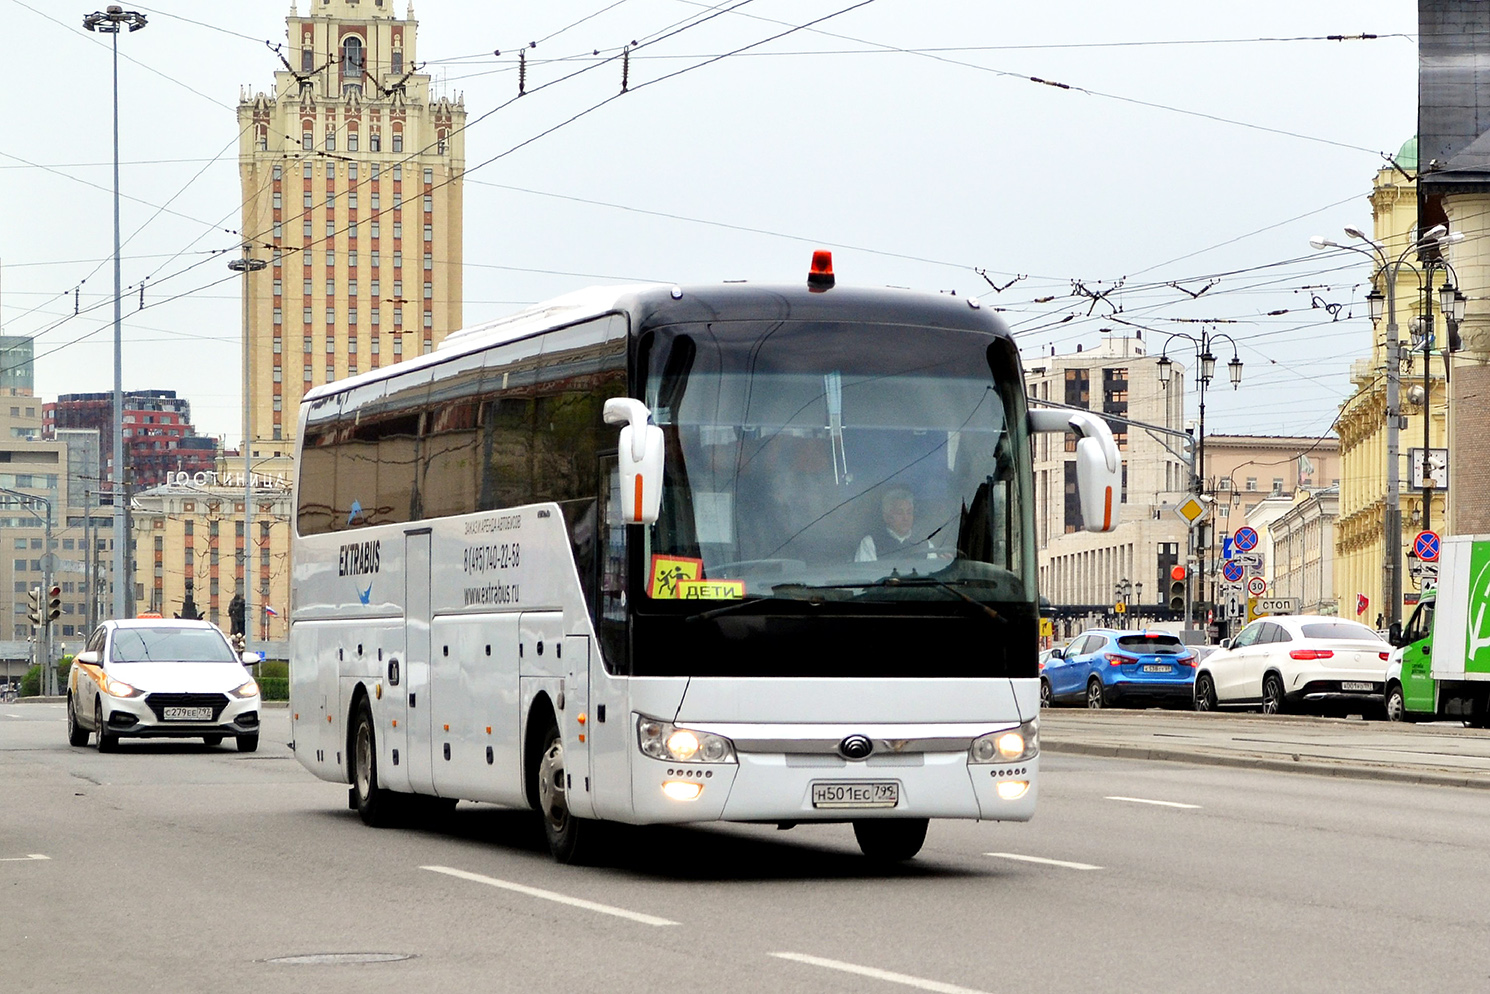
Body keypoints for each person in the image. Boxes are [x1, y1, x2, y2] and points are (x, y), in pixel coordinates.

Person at [856, 486, 936, 562]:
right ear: (886, 517)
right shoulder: (870, 543)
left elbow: (934, 573)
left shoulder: (925, 543)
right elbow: (865, 574)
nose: (905, 518)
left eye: (909, 512)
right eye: (899, 513)